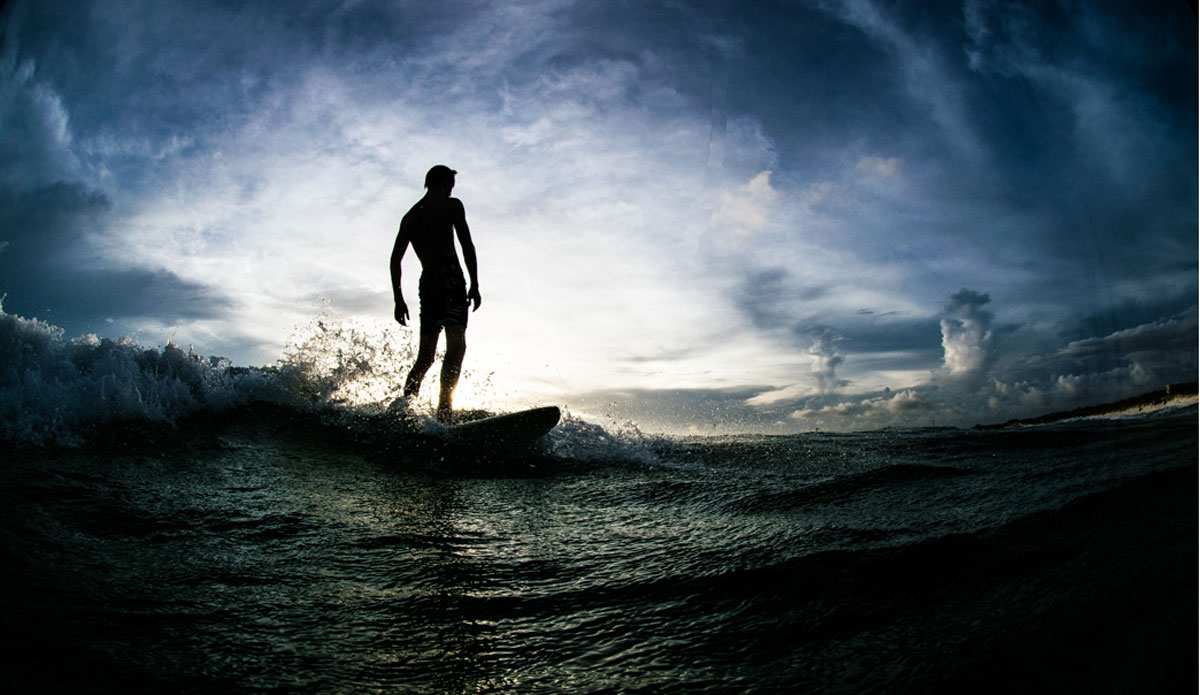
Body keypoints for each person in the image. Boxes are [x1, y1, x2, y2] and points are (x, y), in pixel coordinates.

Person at [390, 165, 481, 423]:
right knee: (457, 346)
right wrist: (474, 283)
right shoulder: (452, 205)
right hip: (450, 276)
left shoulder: (410, 217)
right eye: (450, 184)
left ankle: (404, 410)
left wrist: (398, 298)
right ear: (443, 183)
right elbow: (466, 244)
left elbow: (395, 260)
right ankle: (444, 412)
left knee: (425, 357)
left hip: (427, 280)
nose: (452, 189)